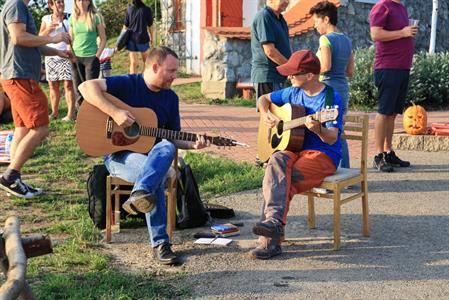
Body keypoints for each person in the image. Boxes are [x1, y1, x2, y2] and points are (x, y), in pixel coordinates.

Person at [78, 46, 210, 265]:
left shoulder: (171, 98)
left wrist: (195, 144)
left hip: (152, 158)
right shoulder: (128, 83)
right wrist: (115, 112)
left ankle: (140, 194)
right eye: (171, 71)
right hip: (120, 157)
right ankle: (161, 244)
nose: (175, 76)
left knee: (166, 147)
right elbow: (85, 86)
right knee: (156, 175)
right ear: (155, 66)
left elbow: (175, 137)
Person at [249, 50, 343, 259]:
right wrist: (267, 114)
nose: (289, 77)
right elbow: (263, 99)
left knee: (282, 180)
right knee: (276, 160)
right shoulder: (292, 92)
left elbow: (332, 137)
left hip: (322, 155)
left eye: (293, 73)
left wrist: (318, 129)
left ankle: (269, 241)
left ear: (309, 75)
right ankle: (273, 226)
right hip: (294, 149)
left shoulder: (330, 98)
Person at [0, 0, 71, 198]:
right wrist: (54, 38)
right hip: (21, 76)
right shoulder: (16, 5)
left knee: (22, 128)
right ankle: (10, 177)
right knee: (40, 128)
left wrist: (57, 51)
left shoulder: (17, 6)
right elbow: (18, 37)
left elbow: (32, 44)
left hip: (16, 76)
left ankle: (14, 180)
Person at [369, 0, 417, 172]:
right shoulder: (382, 6)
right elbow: (375, 34)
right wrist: (403, 33)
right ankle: (378, 155)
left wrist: (405, 34)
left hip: (402, 67)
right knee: (384, 111)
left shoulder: (401, 8)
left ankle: (388, 152)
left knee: (393, 112)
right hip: (387, 67)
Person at [310, 1, 354, 169]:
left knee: (327, 132)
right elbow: (350, 71)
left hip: (327, 90)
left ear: (326, 19)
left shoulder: (325, 39)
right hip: (342, 89)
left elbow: (326, 66)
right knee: (338, 131)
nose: (315, 26)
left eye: (316, 21)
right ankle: (346, 173)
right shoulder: (347, 40)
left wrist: (309, 73)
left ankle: (330, 174)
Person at [39, 0, 76, 121]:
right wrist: (48, 29)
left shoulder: (70, 17)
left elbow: (75, 36)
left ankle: (70, 114)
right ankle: (54, 113)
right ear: (50, 5)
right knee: (52, 85)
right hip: (50, 55)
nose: (61, 4)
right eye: (58, 2)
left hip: (66, 54)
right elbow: (39, 38)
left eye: (62, 2)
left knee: (68, 85)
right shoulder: (46, 19)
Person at [251, 0, 291, 109]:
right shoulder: (264, 17)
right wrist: (290, 69)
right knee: (270, 117)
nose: (287, 2)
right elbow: (270, 51)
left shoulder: (281, 19)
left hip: (279, 76)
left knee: (280, 115)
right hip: (267, 75)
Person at [69, 0, 106, 106]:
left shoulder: (95, 17)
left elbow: (103, 39)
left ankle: (92, 114)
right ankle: (80, 114)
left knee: (91, 89)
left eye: (84, 0)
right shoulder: (72, 18)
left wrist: (96, 57)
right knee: (78, 88)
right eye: (78, 0)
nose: (81, 2)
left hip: (91, 57)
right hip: (76, 57)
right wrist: (70, 53)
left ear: (89, 1)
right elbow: (71, 39)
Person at [123, 0, 154, 74]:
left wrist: (121, 39)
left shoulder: (129, 9)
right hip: (143, 39)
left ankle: (132, 82)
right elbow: (151, 26)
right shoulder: (147, 9)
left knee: (133, 63)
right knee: (147, 62)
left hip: (131, 39)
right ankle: (141, 79)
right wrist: (152, 38)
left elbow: (125, 26)